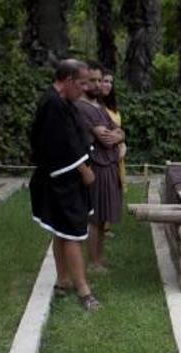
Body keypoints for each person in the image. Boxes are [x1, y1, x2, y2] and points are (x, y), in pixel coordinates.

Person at [28, 59, 100, 311]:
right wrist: (83, 169)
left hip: (64, 180)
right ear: (68, 80)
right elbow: (59, 145)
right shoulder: (53, 105)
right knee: (72, 233)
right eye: (81, 83)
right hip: (62, 180)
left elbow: (74, 137)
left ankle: (63, 280)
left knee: (62, 230)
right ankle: (84, 291)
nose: (84, 89)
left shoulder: (62, 102)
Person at [75, 61, 125, 272]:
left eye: (99, 80)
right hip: (96, 166)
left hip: (109, 166)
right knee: (95, 218)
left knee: (104, 215)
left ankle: (100, 258)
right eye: (93, 81)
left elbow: (119, 132)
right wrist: (115, 136)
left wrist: (117, 135)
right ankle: (93, 261)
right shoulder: (81, 107)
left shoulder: (100, 108)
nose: (97, 85)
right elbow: (106, 138)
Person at [99, 67, 127, 238]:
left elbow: (121, 132)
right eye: (104, 81)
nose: (108, 85)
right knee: (103, 189)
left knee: (114, 189)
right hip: (104, 154)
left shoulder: (113, 107)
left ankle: (106, 226)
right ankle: (97, 226)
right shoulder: (96, 106)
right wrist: (118, 138)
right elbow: (108, 135)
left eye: (110, 82)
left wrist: (123, 143)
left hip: (117, 155)